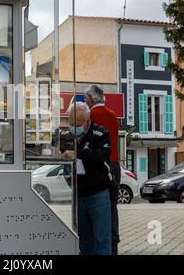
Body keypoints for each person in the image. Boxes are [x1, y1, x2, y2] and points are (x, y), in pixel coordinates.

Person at [63, 102, 113, 255]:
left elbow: (101, 156)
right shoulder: (65, 136)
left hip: (98, 194)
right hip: (78, 195)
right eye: (70, 123)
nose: (73, 127)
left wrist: (78, 153)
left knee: (102, 240)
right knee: (84, 241)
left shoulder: (101, 133)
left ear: (87, 121)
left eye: (77, 124)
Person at [85, 85, 121, 255]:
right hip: (115, 164)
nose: (85, 101)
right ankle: (114, 245)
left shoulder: (90, 115)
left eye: (85, 98)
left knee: (97, 206)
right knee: (112, 206)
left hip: (100, 165)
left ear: (91, 99)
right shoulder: (113, 115)